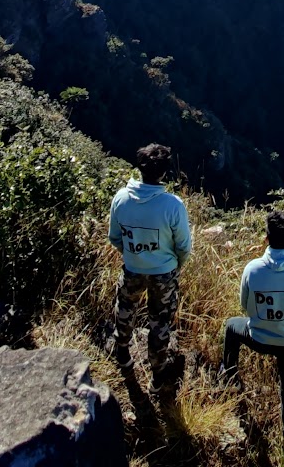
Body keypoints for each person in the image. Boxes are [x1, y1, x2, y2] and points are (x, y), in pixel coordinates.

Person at [222, 211, 284, 463]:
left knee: (231, 327)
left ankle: (230, 377)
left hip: (259, 337)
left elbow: (245, 307)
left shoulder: (252, 269)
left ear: (266, 239)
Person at [108, 143, 192, 391]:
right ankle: (157, 375)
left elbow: (114, 237)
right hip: (163, 273)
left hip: (132, 268)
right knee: (160, 322)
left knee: (125, 308)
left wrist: (134, 254)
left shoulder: (121, 198)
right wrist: (175, 265)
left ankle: (122, 353)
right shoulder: (172, 205)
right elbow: (184, 246)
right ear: (165, 173)